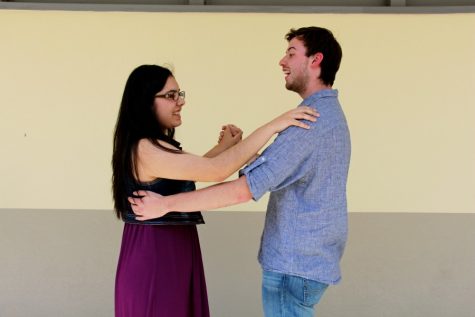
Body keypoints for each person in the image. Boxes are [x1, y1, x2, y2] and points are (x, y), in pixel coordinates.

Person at [129, 26, 350, 317]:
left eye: (291, 53)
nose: (282, 61)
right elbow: (202, 170)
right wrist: (232, 149)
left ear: (315, 60)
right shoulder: (327, 117)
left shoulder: (306, 122)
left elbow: (241, 188)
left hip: (294, 265)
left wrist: (165, 205)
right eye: (171, 95)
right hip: (306, 262)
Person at [112, 64, 318, 317]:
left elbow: (195, 171)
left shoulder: (153, 146)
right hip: (155, 257)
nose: (180, 102)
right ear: (145, 101)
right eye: (170, 96)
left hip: (169, 250)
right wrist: (273, 125)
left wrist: (224, 148)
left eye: (180, 94)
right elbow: (216, 171)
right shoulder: (144, 148)